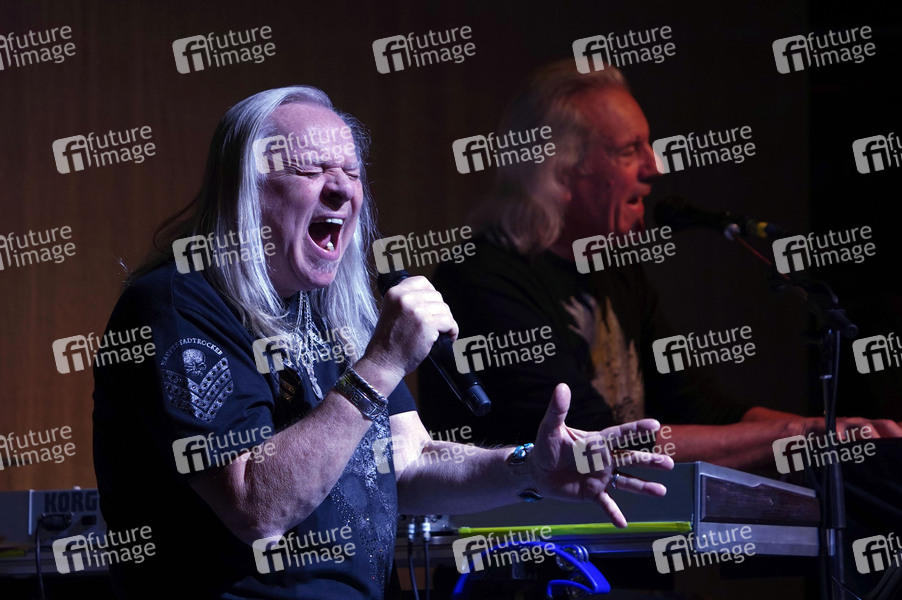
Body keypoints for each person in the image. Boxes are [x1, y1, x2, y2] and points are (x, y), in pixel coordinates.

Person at [91, 85, 674, 600]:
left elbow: (408, 460)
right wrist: (382, 363)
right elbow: (255, 506)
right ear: (246, 190)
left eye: (352, 172)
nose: (341, 189)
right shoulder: (177, 305)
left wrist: (527, 469)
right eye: (312, 169)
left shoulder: (332, 316)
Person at [417, 60, 902, 470]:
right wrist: (803, 435)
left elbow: (702, 410)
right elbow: (593, 441)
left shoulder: (616, 270)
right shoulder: (482, 280)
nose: (654, 167)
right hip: (530, 548)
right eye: (630, 150)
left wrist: (836, 429)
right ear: (560, 170)